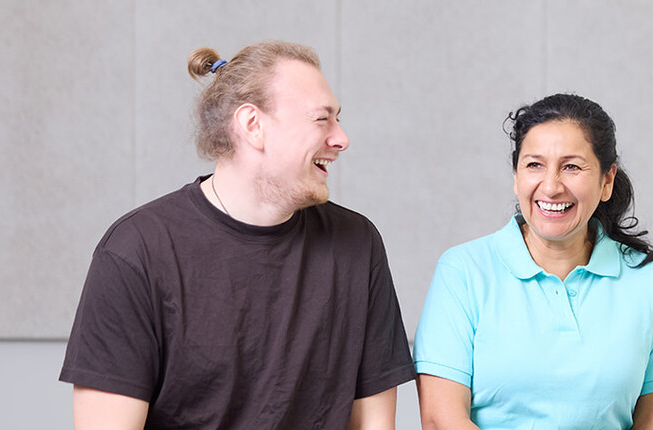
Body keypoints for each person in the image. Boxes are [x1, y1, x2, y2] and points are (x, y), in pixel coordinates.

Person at [59, 40, 415, 429]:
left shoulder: (357, 244)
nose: (341, 138)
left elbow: (374, 424)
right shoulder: (136, 252)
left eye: (339, 119)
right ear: (252, 125)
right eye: (321, 119)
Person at [413, 93, 653, 429]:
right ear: (516, 177)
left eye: (572, 166)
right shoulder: (462, 271)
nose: (551, 186)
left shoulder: (648, 279)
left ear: (607, 180)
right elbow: (441, 419)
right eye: (534, 165)